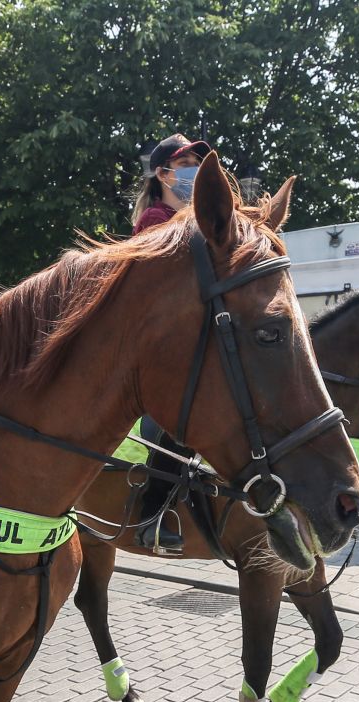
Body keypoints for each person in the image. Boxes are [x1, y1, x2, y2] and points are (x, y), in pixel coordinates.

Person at [128, 134, 210, 550]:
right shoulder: (157, 220)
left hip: (189, 339)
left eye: (198, 162)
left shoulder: (192, 219)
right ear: (162, 174)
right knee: (182, 421)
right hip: (160, 346)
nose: (196, 171)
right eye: (187, 164)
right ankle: (152, 515)